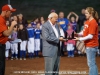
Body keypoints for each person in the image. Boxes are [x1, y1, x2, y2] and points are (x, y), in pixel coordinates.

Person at [75, 7, 99, 75]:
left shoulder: (93, 22)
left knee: (91, 64)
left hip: (92, 45)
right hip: (89, 45)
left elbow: (90, 36)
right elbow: (84, 31)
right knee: (92, 63)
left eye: (86, 13)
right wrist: (78, 34)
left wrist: (80, 39)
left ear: (91, 14)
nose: (85, 14)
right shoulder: (87, 21)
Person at [0, 4, 17, 75]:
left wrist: (8, 39)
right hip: (0, 46)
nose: (11, 13)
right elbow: (6, 33)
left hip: (1, 45)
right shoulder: (1, 20)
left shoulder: (3, 19)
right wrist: (12, 25)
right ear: (6, 11)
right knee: (1, 66)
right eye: (10, 12)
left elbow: (2, 35)